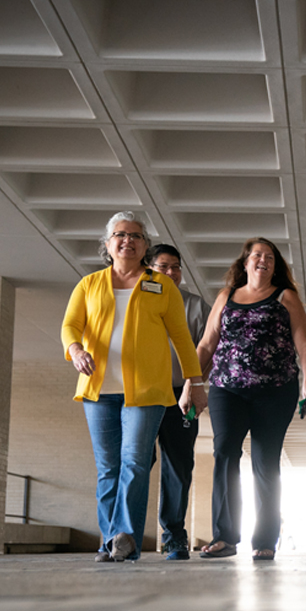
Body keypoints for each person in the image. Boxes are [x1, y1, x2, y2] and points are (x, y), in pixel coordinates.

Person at [62, 212, 207, 563]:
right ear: (108, 244)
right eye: (119, 235)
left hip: (147, 390)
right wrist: (75, 349)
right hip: (99, 390)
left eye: (136, 235)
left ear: (145, 245)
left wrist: (195, 380)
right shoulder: (90, 284)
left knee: (135, 462)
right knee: (108, 467)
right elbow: (70, 325)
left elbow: (182, 338)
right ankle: (109, 539)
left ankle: (124, 536)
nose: (127, 240)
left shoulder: (161, 284)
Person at [195, 238, 306, 561]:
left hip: (275, 391)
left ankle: (265, 540)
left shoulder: (286, 297)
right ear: (245, 263)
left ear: (275, 267)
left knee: (265, 462)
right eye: (256, 255)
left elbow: (303, 342)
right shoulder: (226, 296)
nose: (262, 260)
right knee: (224, 453)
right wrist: (189, 384)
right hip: (227, 388)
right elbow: (207, 344)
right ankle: (225, 537)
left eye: (269, 257)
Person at [147, 243, 211, 561]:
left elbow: (207, 350)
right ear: (149, 269)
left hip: (180, 394)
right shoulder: (137, 301)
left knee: (179, 465)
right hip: (142, 394)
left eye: (175, 267)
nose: (171, 272)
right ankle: (123, 533)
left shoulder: (196, 306)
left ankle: (173, 537)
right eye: (163, 266)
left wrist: (192, 385)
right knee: (136, 462)